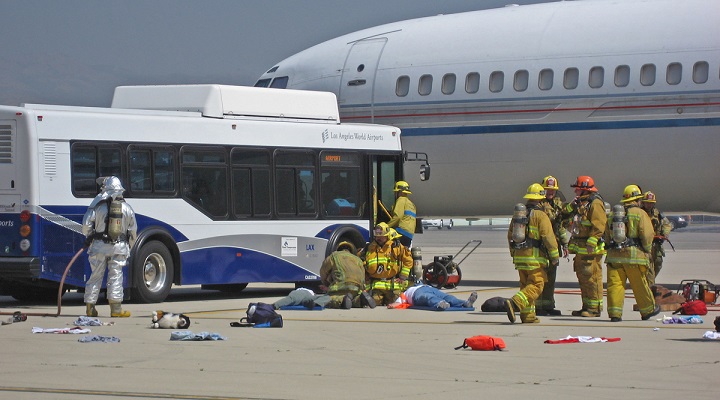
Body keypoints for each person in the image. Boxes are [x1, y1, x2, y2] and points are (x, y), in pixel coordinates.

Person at [82, 176, 137, 318]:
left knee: (95, 276)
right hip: (119, 247)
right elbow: (133, 232)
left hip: (98, 247)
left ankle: (90, 308)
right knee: (116, 276)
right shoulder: (127, 208)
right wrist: (128, 247)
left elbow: (86, 226)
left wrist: (91, 237)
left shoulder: (97, 207)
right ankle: (116, 310)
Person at [505, 183, 560, 324]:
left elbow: (510, 235)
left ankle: (528, 316)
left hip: (520, 257)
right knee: (537, 284)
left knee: (525, 285)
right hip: (534, 258)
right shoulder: (541, 215)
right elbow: (548, 237)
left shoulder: (518, 216)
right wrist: (554, 257)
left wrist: (513, 253)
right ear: (541, 199)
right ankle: (515, 303)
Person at [605, 185, 660, 322]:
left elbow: (606, 235)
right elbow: (647, 234)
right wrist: (647, 250)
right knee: (639, 284)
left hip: (614, 256)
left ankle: (615, 314)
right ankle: (647, 310)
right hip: (634, 257)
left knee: (615, 286)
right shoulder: (640, 213)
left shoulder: (613, 214)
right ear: (637, 199)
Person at [564, 175, 607, 318]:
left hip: (590, 249)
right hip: (581, 248)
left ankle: (594, 308)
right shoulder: (581, 203)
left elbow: (599, 225)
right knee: (583, 278)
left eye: (578, 189)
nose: (575, 191)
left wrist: (592, 242)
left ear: (584, 190)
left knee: (592, 278)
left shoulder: (595, 203)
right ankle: (587, 306)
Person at [536, 175, 570, 316]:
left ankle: (548, 305)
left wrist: (565, 245)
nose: (550, 192)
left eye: (553, 190)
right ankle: (538, 307)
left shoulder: (557, 204)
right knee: (540, 277)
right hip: (541, 246)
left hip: (553, 245)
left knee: (551, 278)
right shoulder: (538, 204)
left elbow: (560, 226)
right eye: (548, 190)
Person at [362, 223, 413, 306]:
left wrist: (403, 276)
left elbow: (408, 261)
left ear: (387, 236)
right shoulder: (370, 248)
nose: (378, 238)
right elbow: (362, 262)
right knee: (373, 303)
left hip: (393, 285)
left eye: (381, 236)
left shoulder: (396, 247)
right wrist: (365, 275)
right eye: (377, 236)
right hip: (376, 285)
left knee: (397, 302)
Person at [640, 191, 672, 288]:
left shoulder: (658, 214)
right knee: (648, 266)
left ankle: (650, 281)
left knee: (658, 263)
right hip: (644, 244)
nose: (649, 205)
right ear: (643, 203)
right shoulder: (640, 213)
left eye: (651, 203)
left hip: (656, 243)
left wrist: (664, 234)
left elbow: (667, 224)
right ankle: (649, 285)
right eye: (647, 202)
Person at [388, 284, 477, 310]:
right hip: (416, 295)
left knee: (447, 296)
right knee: (428, 297)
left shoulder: (415, 285)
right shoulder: (405, 293)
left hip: (429, 288)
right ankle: (440, 303)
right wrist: (392, 305)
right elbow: (398, 302)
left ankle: (466, 303)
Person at [387, 180, 416, 247]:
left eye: (396, 192)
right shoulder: (411, 204)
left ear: (399, 192)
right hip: (409, 235)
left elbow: (398, 216)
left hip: (400, 232)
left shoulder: (401, 200)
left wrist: (387, 226)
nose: (395, 194)